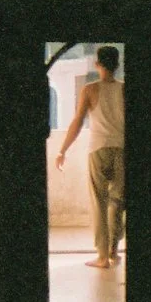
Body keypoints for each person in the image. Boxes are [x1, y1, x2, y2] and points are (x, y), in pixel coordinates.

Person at [55, 45, 125, 268]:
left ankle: (103, 256)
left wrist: (63, 150)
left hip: (98, 149)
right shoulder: (125, 89)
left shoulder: (90, 90)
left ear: (97, 65)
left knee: (99, 201)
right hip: (122, 149)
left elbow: (77, 122)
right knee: (118, 201)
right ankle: (114, 250)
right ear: (117, 65)